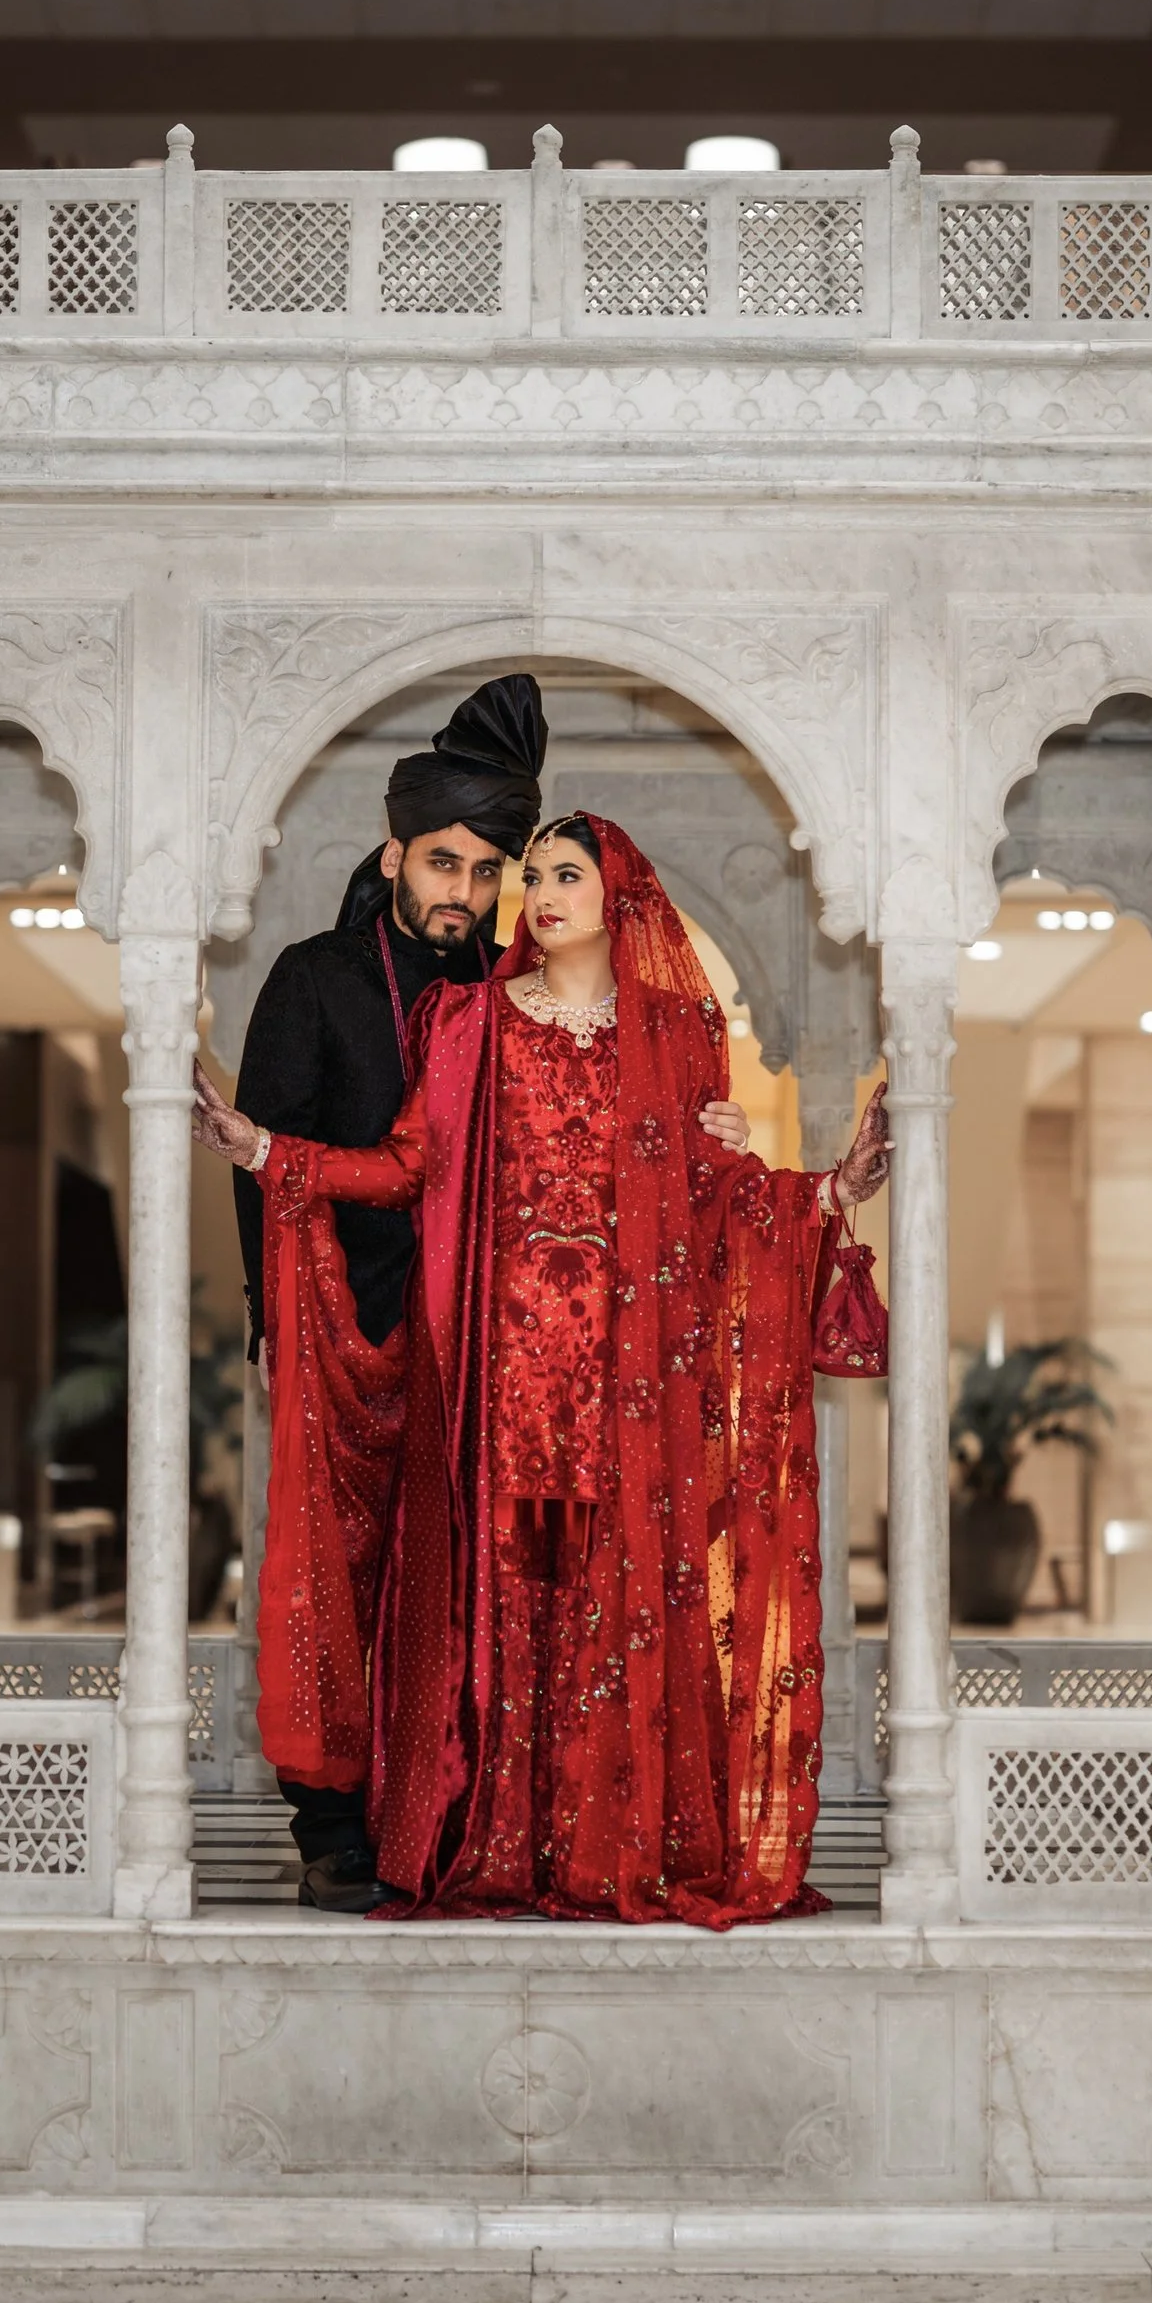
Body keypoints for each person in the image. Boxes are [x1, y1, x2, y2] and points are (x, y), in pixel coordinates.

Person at [197, 811, 889, 1928]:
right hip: (493, 1379)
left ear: (620, 895)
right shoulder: (468, 1019)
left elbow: (713, 1197)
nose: (537, 894)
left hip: (625, 1385)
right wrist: (270, 1151)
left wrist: (832, 1189)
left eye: (564, 874)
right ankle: (500, 1842)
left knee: (611, 1608)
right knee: (501, 1604)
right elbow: (408, 1167)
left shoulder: (675, 1030)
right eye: (535, 875)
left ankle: (599, 1844)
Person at [229, 673, 550, 1910]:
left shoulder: (508, 995)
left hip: (485, 1346)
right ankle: (331, 1821)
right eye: (442, 865)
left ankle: (452, 1806)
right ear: (395, 853)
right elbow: (266, 1165)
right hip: (345, 1321)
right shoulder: (316, 980)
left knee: (468, 1573)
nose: (461, 894)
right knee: (336, 1571)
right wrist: (274, 1319)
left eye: (484, 872)